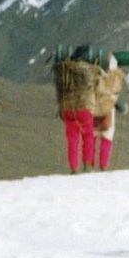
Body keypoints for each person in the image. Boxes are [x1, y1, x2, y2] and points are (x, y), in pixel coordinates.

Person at [52, 44, 102, 173]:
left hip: (68, 108)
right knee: (88, 136)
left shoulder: (65, 68)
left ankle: (74, 168)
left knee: (72, 139)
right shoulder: (89, 69)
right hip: (84, 107)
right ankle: (87, 165)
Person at [90, 52, 127, 170]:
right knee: (106, 140)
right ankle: (103, 167)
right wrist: (125, 109)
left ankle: (89, 165)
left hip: (93, 115)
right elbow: (120, 105)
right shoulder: (113, 83)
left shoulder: (92, 79)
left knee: (91, 140)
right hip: (108, 118)